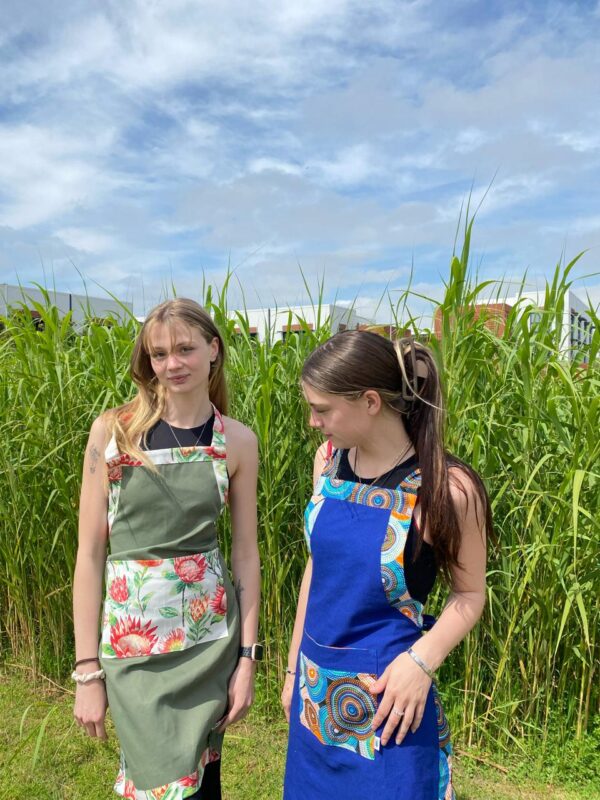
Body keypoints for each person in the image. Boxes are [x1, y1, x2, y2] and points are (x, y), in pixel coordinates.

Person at [282, 330, 492, 800]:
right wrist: (294, 671)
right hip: (314, 700)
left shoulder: (447, 491)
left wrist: (422, 662)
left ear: (371, 402)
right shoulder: (329, 464)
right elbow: (316, 571)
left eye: (322, 409)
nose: (313, 422)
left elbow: (470, 595)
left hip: (390, 709)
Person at [72, 298, 261, 800]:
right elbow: (90, 555)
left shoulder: (236, 442)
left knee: (203, 782)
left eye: (184, 349)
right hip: (136, 650)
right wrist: (87, 670)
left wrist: (247, 659)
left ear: (213, 350)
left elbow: (245, 554)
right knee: (156, 783)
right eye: (158, 354)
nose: (171, 364)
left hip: (209, 647)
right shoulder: (114, 433)